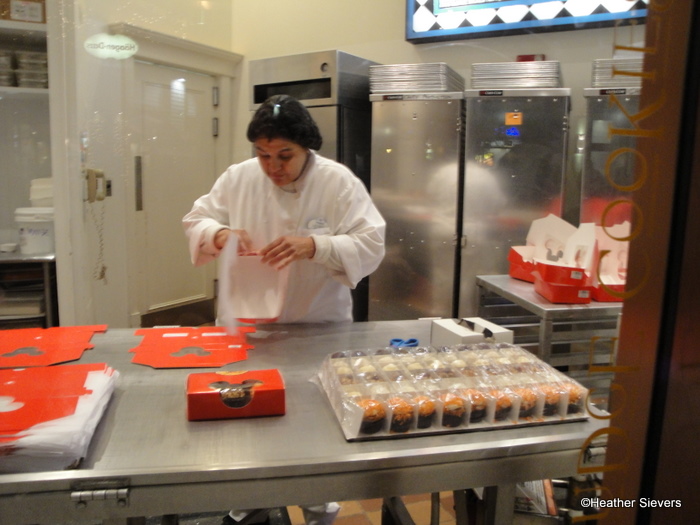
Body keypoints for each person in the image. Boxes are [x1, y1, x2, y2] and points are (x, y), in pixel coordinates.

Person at [182, 94, 386, 525]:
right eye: (263, 154)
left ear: (306, 147)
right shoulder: (238, 178)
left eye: (284, 155)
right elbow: (196, 219)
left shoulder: (337, 182)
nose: (273, 166)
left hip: (315, 322)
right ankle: (250, 502)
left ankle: (318, 506)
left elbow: (371, 243)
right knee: (245, 415)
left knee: (315, 422)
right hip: (247, 325)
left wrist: (315, 245)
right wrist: (219, 234)